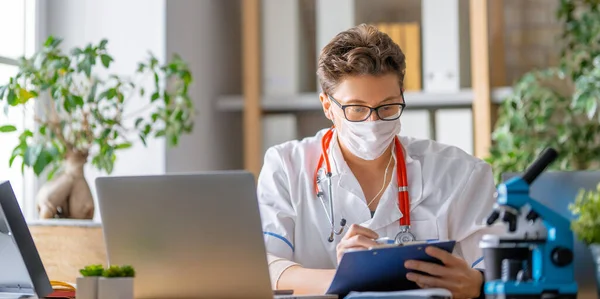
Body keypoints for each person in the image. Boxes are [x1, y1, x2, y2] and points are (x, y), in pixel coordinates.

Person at [257, 24, 501, 299]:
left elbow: (497, 269)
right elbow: (266, 268)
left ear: (402, 96)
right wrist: (347, 277)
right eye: (357, 109)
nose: (373, 122)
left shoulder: (459, 173)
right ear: (327, 106)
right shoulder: (287, 166)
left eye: (387, 107)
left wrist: (477, 285)